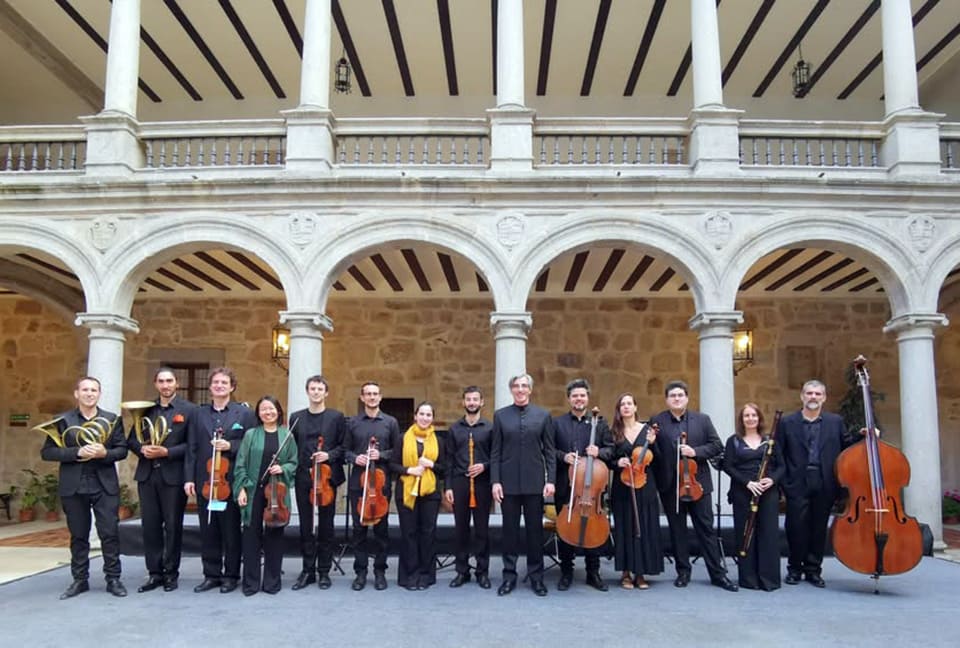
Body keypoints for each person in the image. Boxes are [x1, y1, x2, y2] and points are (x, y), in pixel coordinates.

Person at [41, 376, 128, 599]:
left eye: (94, 390)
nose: (89, 394)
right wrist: (76, 452)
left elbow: (122, 450)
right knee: (78, 535)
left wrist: (105, 453)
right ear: (77, 393)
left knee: (109, 533)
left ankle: (113, 578)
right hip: (74, 485)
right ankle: (80, 580)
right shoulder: (62, 420)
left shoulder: (112, 419)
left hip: (104, 485)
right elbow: (47, 452)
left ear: (99, 394)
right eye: (85, 390)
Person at [650, 380, 737, 592]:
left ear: (687, 398)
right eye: (673, 396)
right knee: (677, 530)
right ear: (667, 400)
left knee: (706, 529)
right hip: (671, 485)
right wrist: (651, 444)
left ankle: (717, 574)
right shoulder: (657, 421)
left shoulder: (702, 420)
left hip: (698, 484)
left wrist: (695, 452)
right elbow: (655, 455)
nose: (677, 399)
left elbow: (716, 446)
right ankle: (683, 571)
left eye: (680, 395)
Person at [183, 367, 257, 594]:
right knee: (208, 530)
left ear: (232, 387)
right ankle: (211, 575)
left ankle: (231, 575)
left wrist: (230, 446)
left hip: (230, 480)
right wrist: (189, 479)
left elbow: (251, 444)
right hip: (206, 481)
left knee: (231, 531)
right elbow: (191, 447)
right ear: (210, 387)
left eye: (224, 383)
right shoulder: (198, 413)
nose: (219, 386)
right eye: (216, 382)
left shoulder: (244, 414)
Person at [127, 367, 196, 593]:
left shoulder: (189, 410)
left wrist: (167, 452)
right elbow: (131, 440)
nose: (165, 385)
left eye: (169, 381)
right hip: (147, 475)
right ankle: (154, 573)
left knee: (173, 526)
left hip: (173, 476)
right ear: (156, 384)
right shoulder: (146, 409)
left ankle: (171, 573)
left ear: (177, 383)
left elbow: (192, 445)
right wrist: (142, 449)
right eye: (161, 381)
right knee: (150, 526)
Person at [778, 380, 852, 588]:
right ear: (802, 396)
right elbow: (778, 453)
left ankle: (813, 570)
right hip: (797, 482)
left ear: (824, 398)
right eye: (809, 393)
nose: (813, 397)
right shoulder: (787, 422)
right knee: (795, 527)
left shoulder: (835, 422)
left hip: (825, 481)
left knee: (819, 528)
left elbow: (847, 447)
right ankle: (794, 568)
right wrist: (785, 482)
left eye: (818, 394)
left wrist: (866, 437)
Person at [491, 373, 556, 597]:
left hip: (534, 484)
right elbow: (495, 452)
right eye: (516, 386)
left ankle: (536, 577)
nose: (520, 389)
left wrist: (551, 480)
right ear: (511, 390)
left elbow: (550, 452)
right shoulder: (500, 416)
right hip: (507, 484)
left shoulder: (543, 415)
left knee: (534, 533)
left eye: (524, 386)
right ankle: (509, 576)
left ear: (530, 389)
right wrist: (495, 481)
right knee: (509, 533)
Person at [552, 378, 613, 591]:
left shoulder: (600, 423)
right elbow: (548, 451)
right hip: (567, 486)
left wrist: (600, 452)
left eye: (582, 395)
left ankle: (593, 572)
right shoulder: (557, 423)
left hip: (593, 488)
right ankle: (566, 572)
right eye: (575, 396)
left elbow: (611, 450)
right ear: (569, 399)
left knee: (593, 527)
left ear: (587, 398)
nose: (579, 399)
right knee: (566, 527)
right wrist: (563, 456)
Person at [234, 396, 298, 596]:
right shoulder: (251, 435)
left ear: (278, 411)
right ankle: (251, 583)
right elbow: (240, 463)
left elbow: (294, 462)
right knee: (250, 536)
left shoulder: (287, 435)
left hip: (276, 492)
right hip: (253, 490)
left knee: (275, 537)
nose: (268, 412)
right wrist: (241, 488)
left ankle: (272, 582)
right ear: (258, 413)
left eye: (271, 409)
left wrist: (283, 468)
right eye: (263, 409)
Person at [289, 375, 346, 590]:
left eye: (320, 389)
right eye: (312, 388)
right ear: (307, 391)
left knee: (326, 525)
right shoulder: (296, 418)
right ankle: (307, 570)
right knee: (306, 525)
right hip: (304, 475)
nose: (316, 392)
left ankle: (323, 571)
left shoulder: (336, 417)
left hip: (326, 477)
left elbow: (344, 447)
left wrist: (328, 455)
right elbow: (292, 448)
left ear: (326, 393)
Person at [343, 381, 400, 591]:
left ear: (380, 397)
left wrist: (381, 454)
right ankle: (360, 573)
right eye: (368, 394)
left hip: (381, 484)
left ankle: (380, 572)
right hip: (358, 483)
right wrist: (354, 458)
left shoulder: (390, 422)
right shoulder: (353, 422)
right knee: (359, 529)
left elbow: (397, 451)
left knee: (381, 530)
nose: (372, 397)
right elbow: (344, 450)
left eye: (375, 394)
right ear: (362, 397)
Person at [723, 403, 784, 591]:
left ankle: (768, 579)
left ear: (759, 418)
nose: (750, 419)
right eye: (746, 416)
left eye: (754, 415)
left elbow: (782, 466)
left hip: (767, 492)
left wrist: (771, 480)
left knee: (768, 534)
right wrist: (747, 483)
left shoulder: (770, 440)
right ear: (741, 420)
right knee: (745, 533)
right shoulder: (733, 441)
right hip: (743, 491)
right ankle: (749, 579)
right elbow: (728, 466)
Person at [609, 392, 663, 590]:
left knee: (644, 527)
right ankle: (625, 572)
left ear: (635, 407)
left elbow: (658, 458)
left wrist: (654, 443)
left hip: (645, 484)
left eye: (629, 403)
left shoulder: (648, 431)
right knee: (624, 526)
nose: (626, 407)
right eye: (622, 404)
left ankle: (640, 573)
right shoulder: (614, 432)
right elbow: (608, 458)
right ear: (619, 409)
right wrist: (617, 462)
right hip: (623, 484)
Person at [444, 386, 493, 589]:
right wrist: (448, 487)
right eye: (468, 399)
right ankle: (462, 571)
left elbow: (496, 457)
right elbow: (449, 460)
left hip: (482, 483)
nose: (472, 403)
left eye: (475, 399)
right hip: (460, 482)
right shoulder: (454, 429)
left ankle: (482, 572)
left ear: (482, 402)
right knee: (461, 529)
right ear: (463, 402)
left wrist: (484, 466)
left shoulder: (490, 428)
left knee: (482, 529)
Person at [392, 402, 445, 590]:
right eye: (421, 414)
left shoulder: (439, 441)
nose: (424, 418)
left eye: (428, 415)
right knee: (409, 533)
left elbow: (445, 468)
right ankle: (410, 575)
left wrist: (432, 465)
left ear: (432, 418)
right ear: (415, 416)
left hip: (430, 493)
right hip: (406, 491)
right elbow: (393, 465)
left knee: (428, 534)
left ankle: (425, 575)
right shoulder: (402, 438)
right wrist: (410, 470)